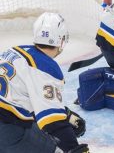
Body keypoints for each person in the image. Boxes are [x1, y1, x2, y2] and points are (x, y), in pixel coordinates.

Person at [0, 12, 89, 153]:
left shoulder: (14, 50)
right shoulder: (46, 68)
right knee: (56, 147)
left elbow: (22, 96)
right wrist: (74, 148)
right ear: (61, 41)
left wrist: (65, 113)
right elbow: (54, 123)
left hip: (5, 118)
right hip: (7, 132)